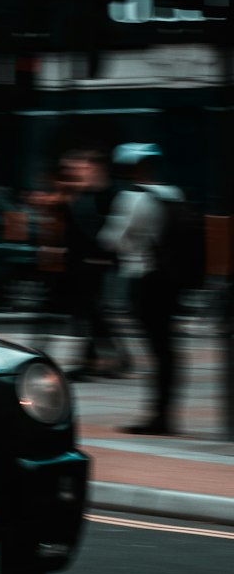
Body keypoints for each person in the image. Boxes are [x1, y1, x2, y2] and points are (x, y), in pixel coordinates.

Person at [98, 143, 183, 436]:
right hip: (172, 280)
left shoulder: (131, 198)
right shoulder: (173, 194)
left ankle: (158, 417)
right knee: (167, 350)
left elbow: (111, 239)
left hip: (144, 278)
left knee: (157, 350)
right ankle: (164, 412)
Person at [60, 149, 129, 380]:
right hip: (83, 265)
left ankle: (98, 362)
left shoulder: (110, 194)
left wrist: (102, 254)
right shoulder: (83, 194)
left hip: (99, 264)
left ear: (95, 167)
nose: (77, 170)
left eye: (82, 166)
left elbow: (108, 230)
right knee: (93, 314)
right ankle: (111, 360)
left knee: (94, 314)